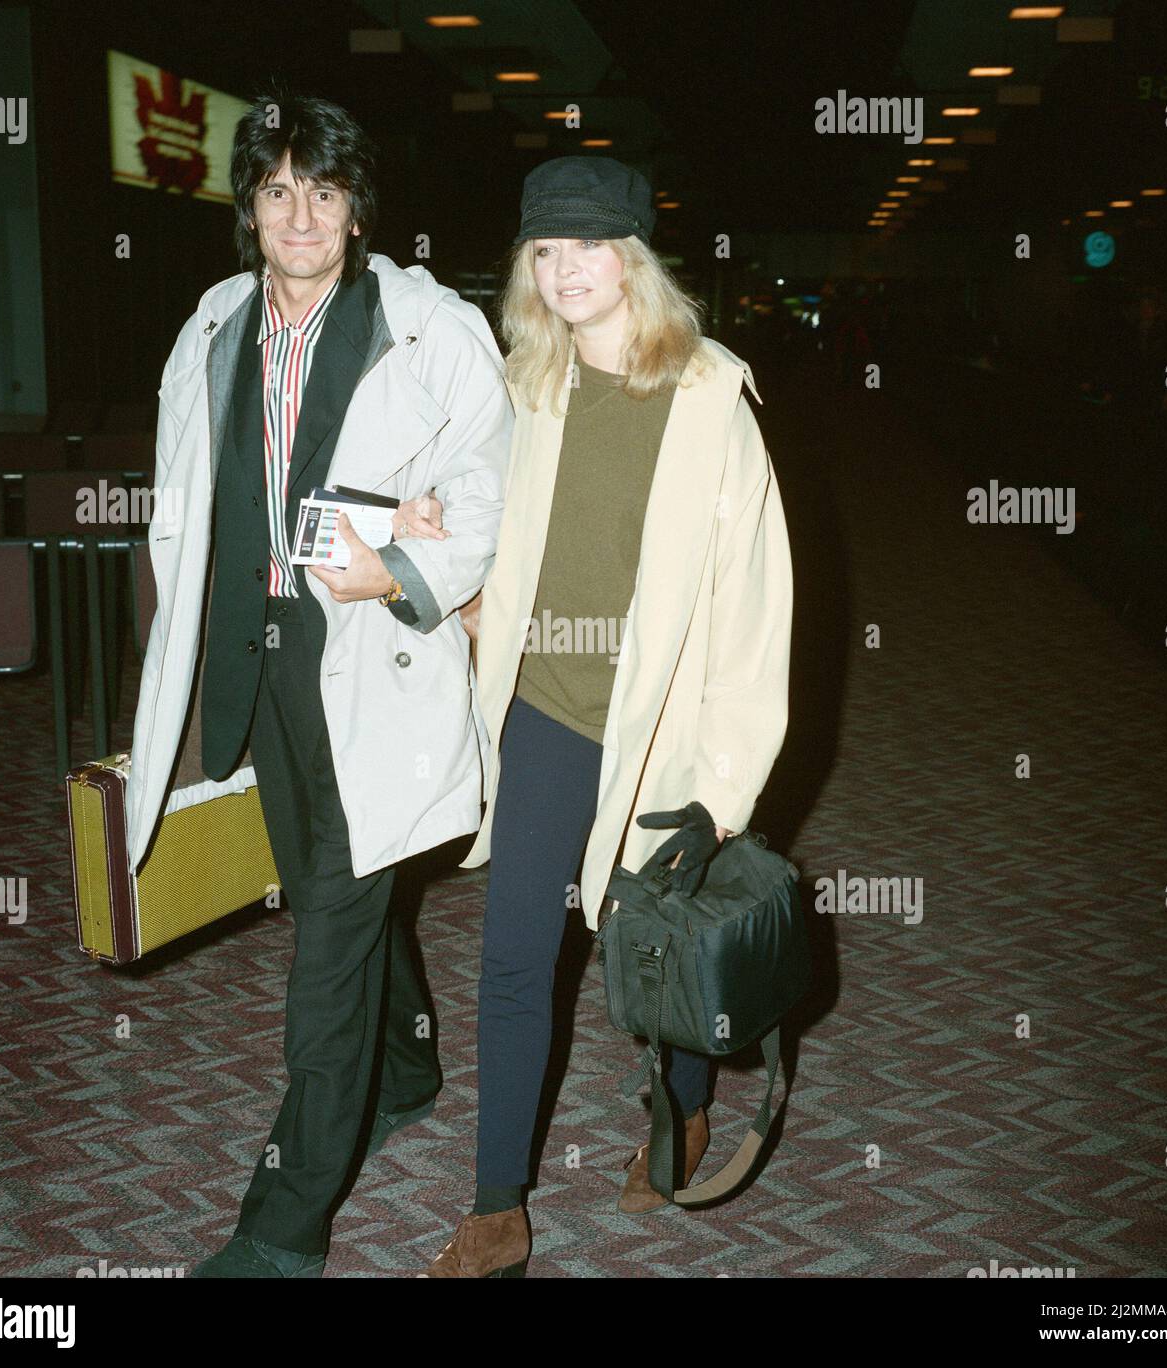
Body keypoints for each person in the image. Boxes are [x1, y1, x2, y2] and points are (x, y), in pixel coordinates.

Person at [122, 89, 513, 1278]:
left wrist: (400, 562)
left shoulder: (428, 328)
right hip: (258, 656)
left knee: (328, 937)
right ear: (249, 206)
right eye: (279, 189)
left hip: (372, 660)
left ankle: (280, 1227)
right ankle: (406, 1070)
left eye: (325, 191)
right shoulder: (212, 325)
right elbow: (182, 494)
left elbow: (491, 487)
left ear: (356, 209)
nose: (302, 214)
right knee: (324, 880)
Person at [417, 156, 794, 1277]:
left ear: (634, 258)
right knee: (515, 957)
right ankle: (497, 1206)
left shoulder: (708, 399)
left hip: (663, 734)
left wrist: (724, 792)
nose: (566, 266)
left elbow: (754, 615)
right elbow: (491, 523)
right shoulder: (527, 384)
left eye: (589, 244)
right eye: (547, 247)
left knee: (652, 953)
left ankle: (680, 1111)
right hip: (544, 712)